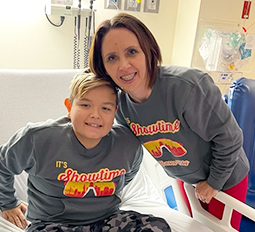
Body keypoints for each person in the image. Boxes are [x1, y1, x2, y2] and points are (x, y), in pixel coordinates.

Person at [89, 12, 250, 230]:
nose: (123, 65)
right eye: (111, 58)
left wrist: (214, 183)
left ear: (148, 50)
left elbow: (230, 139)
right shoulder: (121, 106)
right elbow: (123, 154)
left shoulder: (188, 87)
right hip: (187, 178)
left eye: (132, 52)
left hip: (225, 177)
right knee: (195, 227)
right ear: (103, 67)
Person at [0, 69, 171, 232]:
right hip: (52, 223)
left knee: (157, 227)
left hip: (107, 220)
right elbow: (1, 166)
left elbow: (129, 173)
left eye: (105, 108)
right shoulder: (37, 139)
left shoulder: (127, 144)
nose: (95, 114)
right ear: (69, 107)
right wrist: (8, 203)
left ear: (115, 112)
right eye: (85, 105)